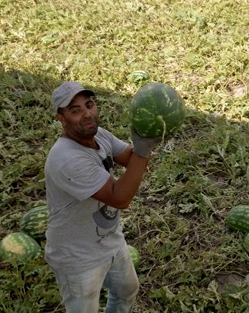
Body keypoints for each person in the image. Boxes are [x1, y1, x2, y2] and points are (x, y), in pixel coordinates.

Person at [44, 81, 161, 312]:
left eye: (89, 105)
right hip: (77, 256)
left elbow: (130, 159)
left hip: (109, 241)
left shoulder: (100, 136)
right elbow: (120, 198)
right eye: (75, 110)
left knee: (127, 292)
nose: (87, 114)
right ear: (61, 118)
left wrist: (146, 136)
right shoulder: (67, 159)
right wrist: (143, 150)